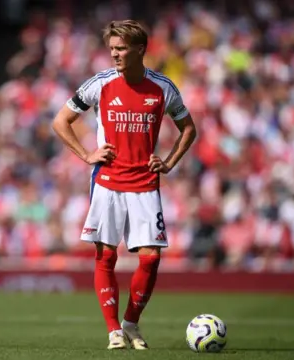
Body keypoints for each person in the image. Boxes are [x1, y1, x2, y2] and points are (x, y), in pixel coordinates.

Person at [51, 20, 197, 350]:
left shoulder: (162, 87)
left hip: (145, 183)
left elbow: (188, 128)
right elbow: (61, 121)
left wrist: (170, 162)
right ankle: (113, 329)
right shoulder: (99, 84)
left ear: (140, 50)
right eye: (112, 48)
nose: (115, 54)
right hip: (108, 182)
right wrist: (86, 153)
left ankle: (131, 322)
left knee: (150, 258)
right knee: (105, 256)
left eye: (121, 48)